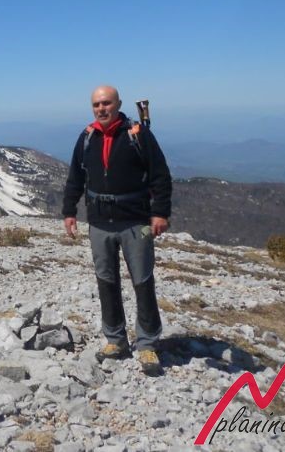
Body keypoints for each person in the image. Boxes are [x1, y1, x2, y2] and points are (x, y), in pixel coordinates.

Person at [62, 85, 172, 376]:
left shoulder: (138, 135)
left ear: (118, 104)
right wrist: (69, 211)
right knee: (106, 280)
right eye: (97, 104)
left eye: (106, 103)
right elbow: (75, 177)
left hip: (136, 221)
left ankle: (147, 343)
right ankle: (115, 339)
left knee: (143, 280)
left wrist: (160, 212)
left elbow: (160, 175)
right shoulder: (87, 137)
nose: (101, 109)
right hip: (99, 222)